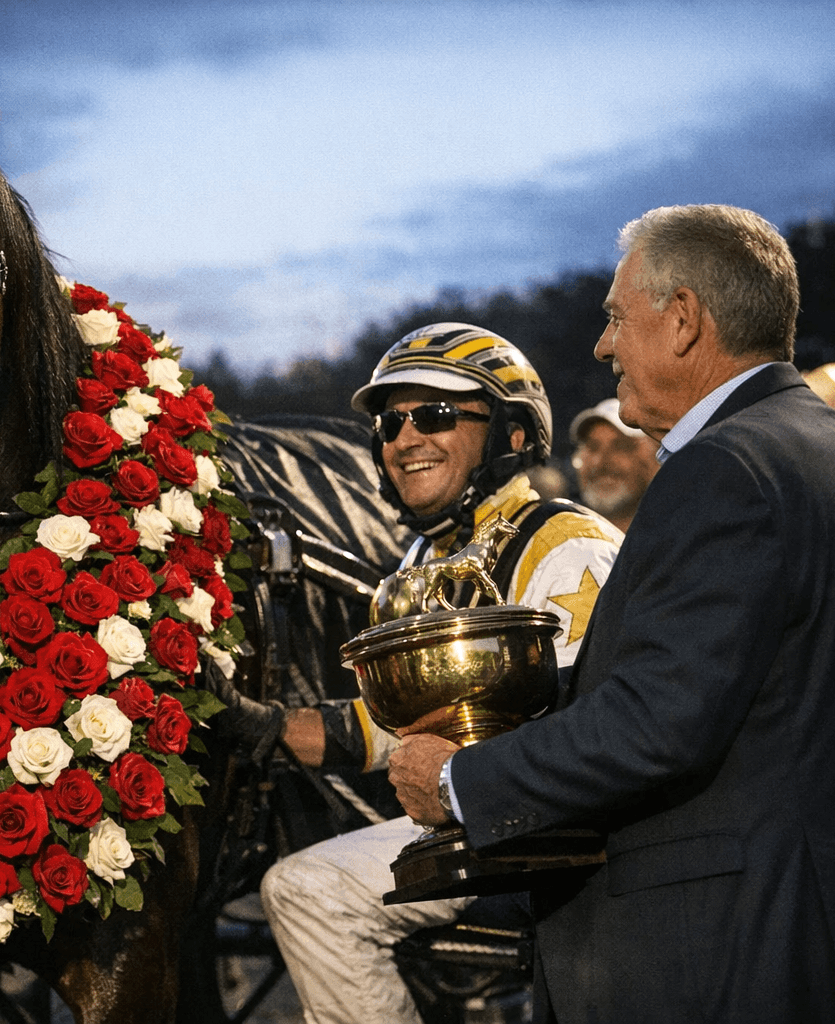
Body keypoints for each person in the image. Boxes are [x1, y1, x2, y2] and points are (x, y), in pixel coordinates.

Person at [390, 205, 835, 1022]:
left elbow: (660, 720)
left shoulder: (725, 469)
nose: (601, 347)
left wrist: (461, 779)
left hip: (711, 948)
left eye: (613, 318)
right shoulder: (816, 444)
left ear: (682, 319)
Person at [210, 323, 621, 1024]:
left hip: (559, 831)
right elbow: (393, 727)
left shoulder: (567, 542)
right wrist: (264, 725)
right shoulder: (416, 565)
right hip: (482, 821)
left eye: (433, 415)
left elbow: (593, 729)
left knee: (308, 888)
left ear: (512, 435)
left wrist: (456, 779)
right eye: (390, 421)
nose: (404, 439)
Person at [568, 397, 660, 531]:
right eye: (592, 447)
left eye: (620, 446)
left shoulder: (681, 541)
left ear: (653, 460)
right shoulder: (563, 543)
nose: (599, 462)